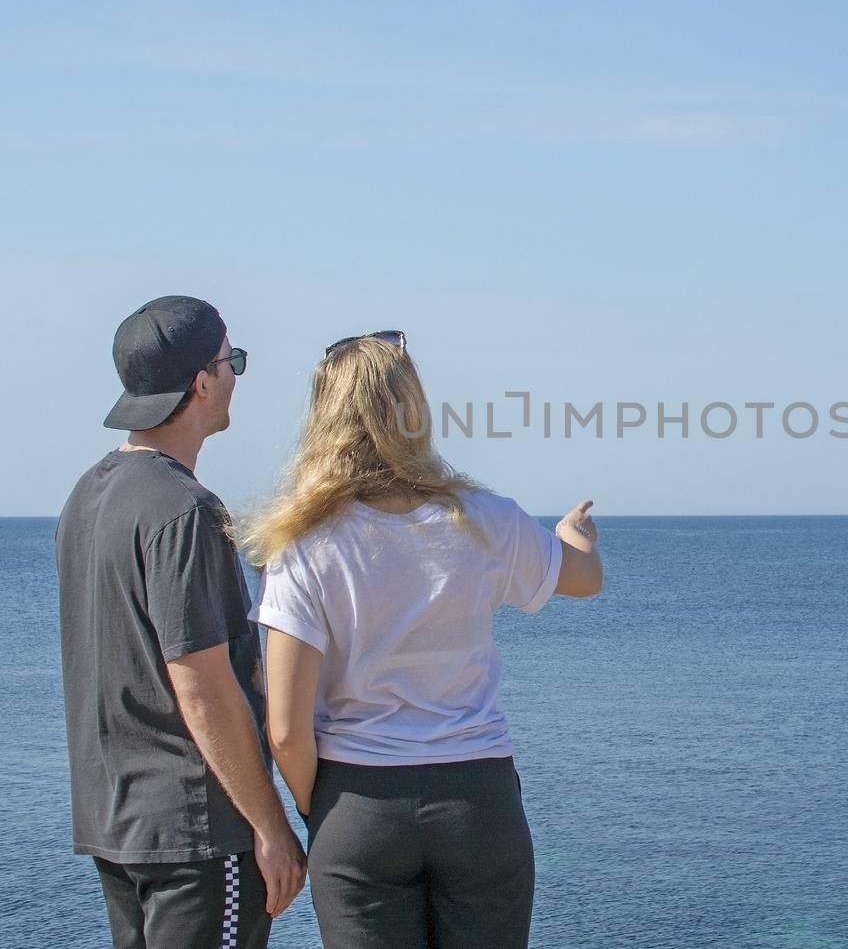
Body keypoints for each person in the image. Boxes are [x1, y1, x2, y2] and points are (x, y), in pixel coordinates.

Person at [237, 330, 603, 949]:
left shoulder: (302, 547)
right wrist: (574, 533)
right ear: (415, 411)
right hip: (478, 800)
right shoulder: (484, 518)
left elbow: (286, 731)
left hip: (358, 803)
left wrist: (321, 810)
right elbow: (585, 580)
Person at [55, 295, 306, 949]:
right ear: (202, 382)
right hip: (196, 834)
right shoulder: (184, 510)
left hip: (117, 822)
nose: (234, 379)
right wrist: (272, 828)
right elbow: (200, 685)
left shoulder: (85, 497)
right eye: (233, 363)